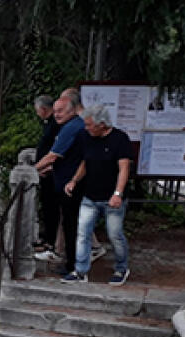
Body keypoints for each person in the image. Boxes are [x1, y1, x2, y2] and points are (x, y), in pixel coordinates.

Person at [62, 104, 133, 286]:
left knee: (115, 234)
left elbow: (123, 168)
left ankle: (121, 267)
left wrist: (118, 193)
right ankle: (80, 270)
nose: (86, 128)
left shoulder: (120, 139)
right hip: (90, 195)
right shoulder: (87, 138)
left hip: (111, 196)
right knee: (82, 233)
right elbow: (86, 161)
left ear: (102, 125)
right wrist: (74, 180)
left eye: (89, 125)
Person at [34, 97, 87, 278]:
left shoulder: (72, 128)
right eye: (55, 110)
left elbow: (53, 155)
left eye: (61, 111)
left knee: (71, 226)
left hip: (71, 185)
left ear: (72, 110)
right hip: (67, 181)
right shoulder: (74, 126)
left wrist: (32, 171)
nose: (56, 114)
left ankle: (74, 266)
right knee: (70, 225)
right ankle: (72, 262)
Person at [33, 94, 62, 261]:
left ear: (44, 109)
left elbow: (55, 151)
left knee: (51, 208)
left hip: (51, 173)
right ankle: (48, 238)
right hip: (45, 172)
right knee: (47, 207)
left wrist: (41, 167)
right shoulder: (50, 124)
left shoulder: (55, 125)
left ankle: (51, 241)